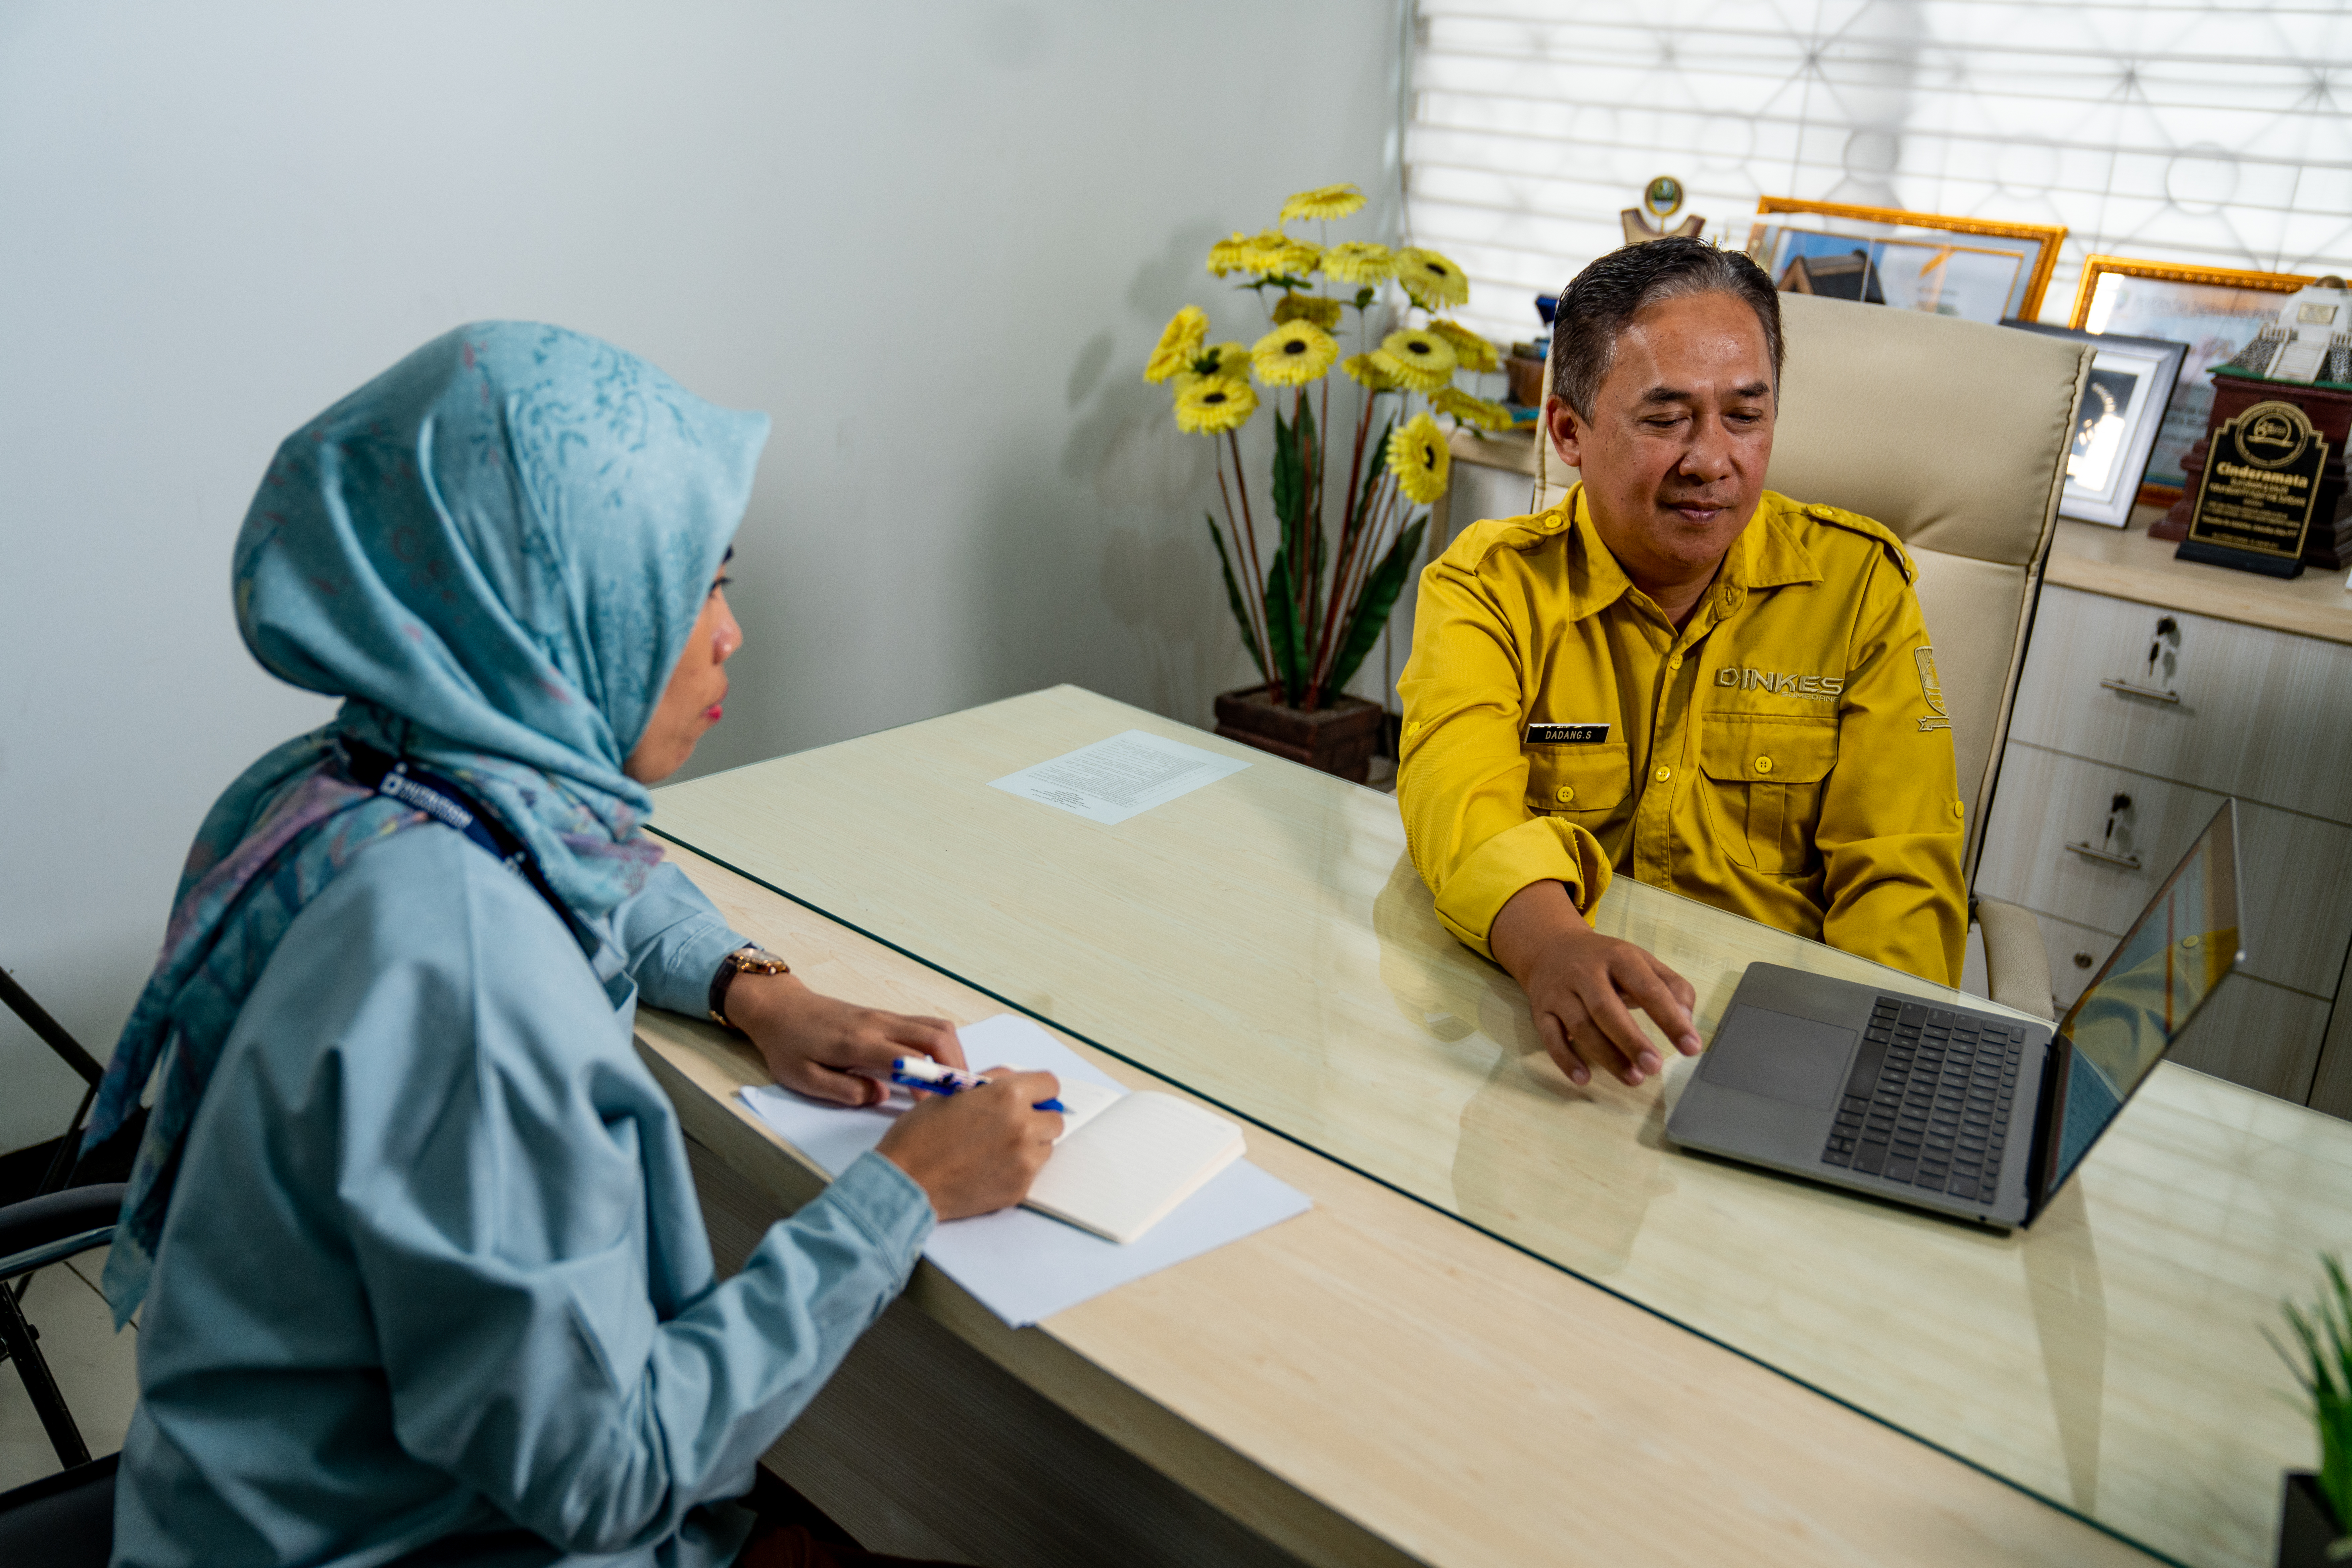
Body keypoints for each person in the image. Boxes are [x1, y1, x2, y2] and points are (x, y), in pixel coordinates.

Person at [88, 323, 1061, 1567]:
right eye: (694, 586)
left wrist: (748, 986)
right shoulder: (464, 980)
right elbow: (609, 1474)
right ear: (558, 603)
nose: (731, 636)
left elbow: (574, 863)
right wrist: (903, 1194)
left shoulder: (361, 775)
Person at [1396, 238, 1965, 1095]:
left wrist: (1858, 1074)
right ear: (1569, 432)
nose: (1713, 459)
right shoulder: (1490, 586)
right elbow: (1456, 789)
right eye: (1666, 419)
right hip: (1546, 1014)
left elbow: (1900, 872)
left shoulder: (1859, 590)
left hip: (1780, 1048)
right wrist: (1551, 944)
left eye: (1747, 415)